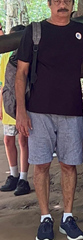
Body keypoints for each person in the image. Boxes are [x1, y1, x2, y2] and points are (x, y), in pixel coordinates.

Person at [15, 0, 83, 240]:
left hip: (72, 110)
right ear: (50, 4)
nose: (62, 4)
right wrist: (21, 110)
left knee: (69, 165)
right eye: (57, 0)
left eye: (66, 0)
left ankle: (67, 217)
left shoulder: (81, 32)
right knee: (40, 166)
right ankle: (44, 217)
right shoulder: (35, 31)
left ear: (73, 4)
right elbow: (21, 73)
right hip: (38, 111)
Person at [0, 25, 30, 196]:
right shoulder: (5, 58)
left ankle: (24, 178)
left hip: (23, 105)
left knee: (23, 142)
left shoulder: (29, 57)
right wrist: (1, 105)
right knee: (8, 140)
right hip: (9, 105)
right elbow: (2, 84)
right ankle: (13, 175)